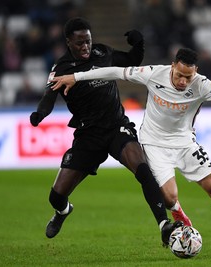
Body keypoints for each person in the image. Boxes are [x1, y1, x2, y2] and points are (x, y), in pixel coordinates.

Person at [51, 47, 211, 256]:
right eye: (179, 75)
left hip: (185, 143)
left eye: (188, 77)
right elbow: (114, 71)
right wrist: (77, 77)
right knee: (169, 198)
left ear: (195, 71)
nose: (183, 82)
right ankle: (180, 216)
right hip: (154, 144)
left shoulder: (202, 84)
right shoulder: (153, 73)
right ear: (172, 67)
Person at [29, 17, 183, 247]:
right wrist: (40, 114)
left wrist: (138, 44)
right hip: (88, 136)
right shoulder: (62, 69)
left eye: (88, 41)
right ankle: (63, 212)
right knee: (56, 196)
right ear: (68, 42)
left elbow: (131, 61)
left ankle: (164, 225)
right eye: (80, 43)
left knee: (143, 169)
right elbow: (49, 97)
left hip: (116, 127)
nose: (85, 47)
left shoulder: (103, 54)